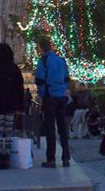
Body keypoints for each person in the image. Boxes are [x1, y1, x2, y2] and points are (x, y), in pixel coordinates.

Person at [0, 43, 25, 169]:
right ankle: (6, 157)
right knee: (8, 130)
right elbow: (20, 86)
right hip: (11, 102)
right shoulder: (14, 68)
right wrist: (20, 104)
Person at [35, 37, 71, 168]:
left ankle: (51, 159)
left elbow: (40, 80)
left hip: (50, 96)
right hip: (61, 97)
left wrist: (42, 96)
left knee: (50, 129)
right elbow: (67, 79)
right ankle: (66, 158)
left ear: (41, 48)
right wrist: (65, 92)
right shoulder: (61, 60)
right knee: (62, 129)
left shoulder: (43, 61)